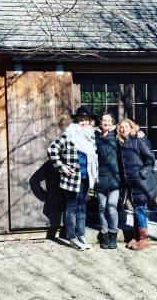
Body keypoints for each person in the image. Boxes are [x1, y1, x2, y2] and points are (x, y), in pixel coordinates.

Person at [47, 106, 98, 251]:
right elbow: (52, 149)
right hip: (72, 179)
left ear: (90, 120)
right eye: (81, 119)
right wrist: (62, 167)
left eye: (86, 119)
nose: (84, 122)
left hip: (86, 177)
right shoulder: (69, 134)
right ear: (77, 120)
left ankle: (81, 234)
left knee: (82, 207)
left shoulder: (91, 135)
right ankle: (72, 237)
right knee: (71, 208)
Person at [117, 118, 156, 251]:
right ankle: (136, 237)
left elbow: (150, 158)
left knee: (139, 209)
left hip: (140, 182)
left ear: (131, 127)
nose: (124, 129)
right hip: (130, 183)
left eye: (126, 126)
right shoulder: (122, 143)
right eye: (121, 127)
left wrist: (142, 174)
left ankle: (144, 240)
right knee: (137, 209)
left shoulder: (138, 140)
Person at [94, 111, 121, 249]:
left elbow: (130, 132)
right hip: (100, 179)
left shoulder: (116, 135)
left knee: (111, 208)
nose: (106, 122)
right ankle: (104, 234)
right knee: (102, 207)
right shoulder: (94, 136)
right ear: (100, 121)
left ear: (112, 122)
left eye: (109, 120)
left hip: (114, 178)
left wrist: (139, 131)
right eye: (104, 120)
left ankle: (113, 233)